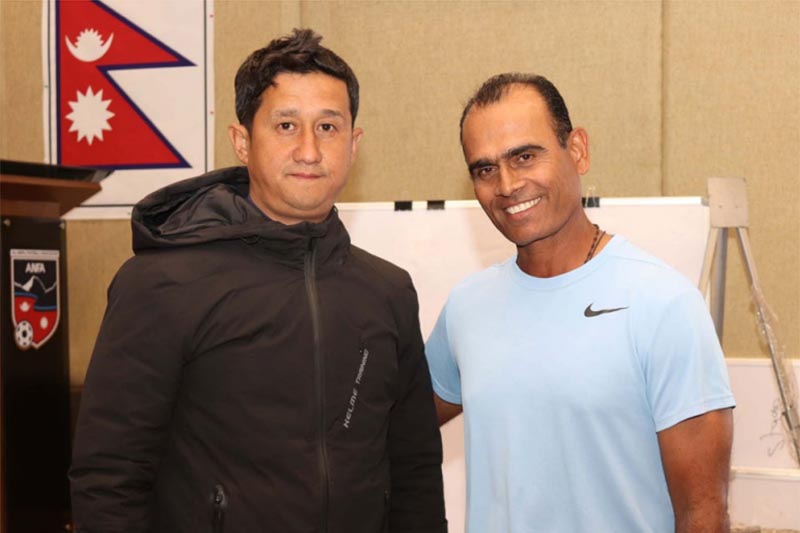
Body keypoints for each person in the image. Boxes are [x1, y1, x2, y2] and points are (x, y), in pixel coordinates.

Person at [70, 29, 447, 533]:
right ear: (242, 141)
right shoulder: (162, 283)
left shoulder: (387, 292)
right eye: (286, 125)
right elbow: (109, 475)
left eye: (328, 127)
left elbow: (415, 468)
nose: (309, 150)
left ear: (354, 144)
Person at [426, 73, 735, 532]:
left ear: (578, 150)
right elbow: (392, 427)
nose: (507, 184)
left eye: (525, 156)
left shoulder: (663, 304)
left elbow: (703, 512)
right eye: (485, 168)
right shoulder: (467, 307)